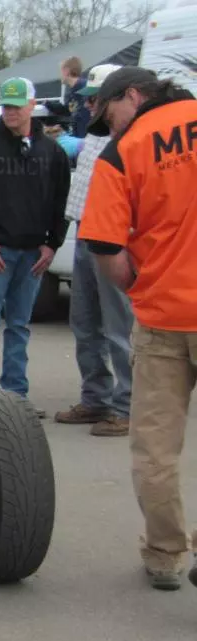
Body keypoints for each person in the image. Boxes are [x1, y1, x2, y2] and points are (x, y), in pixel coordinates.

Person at [77, 66, 197, 591]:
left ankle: (166, 555)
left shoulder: (122, 154)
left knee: (154, 449)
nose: (111, 127)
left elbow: (105, 246)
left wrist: (141, 287)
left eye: (111, 114)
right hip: (166, 317)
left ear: (132, 95)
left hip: (164, 320)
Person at [0, 78, 71, 414]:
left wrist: (52, 245)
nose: (10, 112)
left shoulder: (52, 152)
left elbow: (61, 202)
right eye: (6, 105)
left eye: (17, 105)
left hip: (33, 253)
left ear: (32, 105)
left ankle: (17, 397)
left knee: (19, 325)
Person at [53, 64, 133, 438]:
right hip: (86, 233)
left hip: (114, 238)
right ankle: (96, 398)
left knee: (118, 326)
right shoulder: (96, 134)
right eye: (88, 99)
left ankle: (126, 405)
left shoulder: (130, 140)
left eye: (96, 100)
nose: (89, 106)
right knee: (85, 323)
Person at [60, 56, 91, 138]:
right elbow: (68, 110)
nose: (60, 75)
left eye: (61, 71)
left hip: (86, 139)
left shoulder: (85, 88)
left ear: (67, 71)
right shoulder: (72, 91)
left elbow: (85, 116)